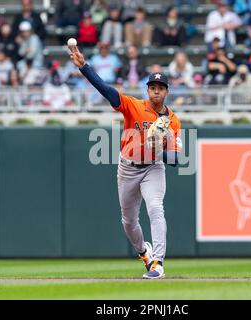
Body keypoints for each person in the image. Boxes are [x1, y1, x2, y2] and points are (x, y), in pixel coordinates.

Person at [68, 41, 182, 279]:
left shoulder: (172, 120)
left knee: (155, 208)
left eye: (161, 87)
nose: (156, 90)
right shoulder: (134, 106)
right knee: (128, 222)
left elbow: (176, 160)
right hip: (127, 168)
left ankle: (158, 263)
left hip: (153, 167)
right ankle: (145, 254)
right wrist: (85, 68)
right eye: (153, 86)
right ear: (147, 89)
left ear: (167, 91)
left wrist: (158, 150)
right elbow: (107, 90)